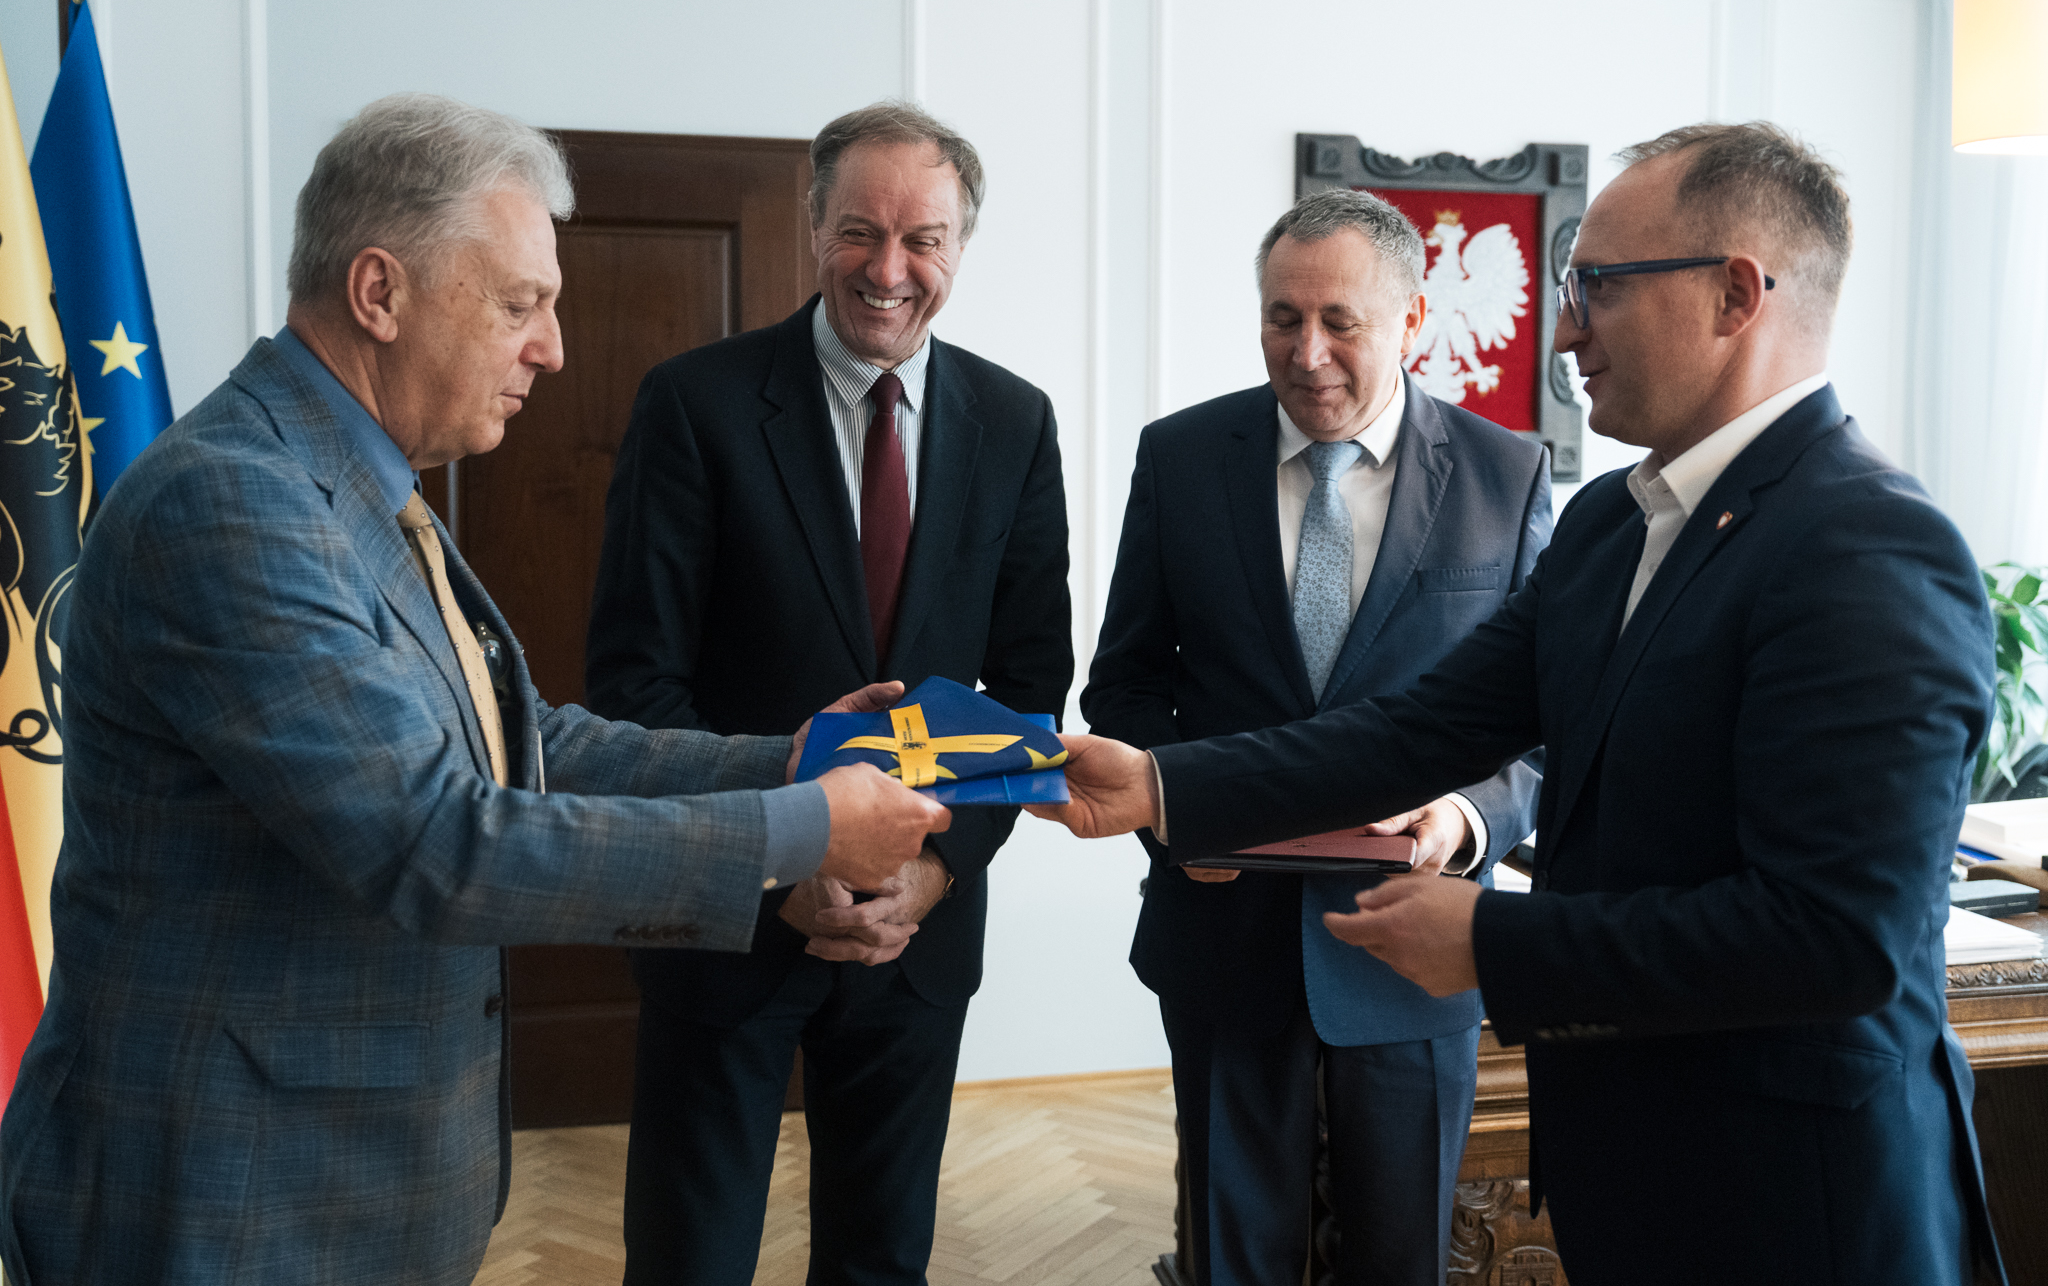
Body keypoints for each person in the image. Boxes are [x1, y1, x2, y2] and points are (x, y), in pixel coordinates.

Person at [0, 93, 949, 1286]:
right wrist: (802, 827)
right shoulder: (233, 502)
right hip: (227, 1198)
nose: (551, 347)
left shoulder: (361, 479)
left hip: (345, 1186)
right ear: (379, 293)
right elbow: (436, 842)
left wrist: (793, 756)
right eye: (518, 304)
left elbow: (521, 742)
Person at [1036, 123, 2007, 1286]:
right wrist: (1160, 785)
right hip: (1623, 1162)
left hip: (1796, 1195)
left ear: (1734, 295)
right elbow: (1418, 731)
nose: (1561, 333)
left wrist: (1489, 940)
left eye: (1596, 287)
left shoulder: (1870, 546)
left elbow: (1834, 939)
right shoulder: (1608, 526)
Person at [584, 100, 1071, 1285]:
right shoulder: (695, 404)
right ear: (814, 229)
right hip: (728, 922)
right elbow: (634, 681)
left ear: (959, 247)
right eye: (860, 231)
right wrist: (780, 858)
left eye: (922, 240)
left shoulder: (1014, 421)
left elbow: (1028, 688)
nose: (888, 270)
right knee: (689, 1262)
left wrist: (934, 871)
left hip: (916, 933)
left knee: (880, 1262)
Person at [1081, 188, 1547, 1285]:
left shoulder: (1506, 473)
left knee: (1401, 1260)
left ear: (1413, 319)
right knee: (1230, 1259)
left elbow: (1550, 721)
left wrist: (1465, 816)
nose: (1307, 353)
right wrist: (1176, 816)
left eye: (1341, 321)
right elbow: (1127, 684)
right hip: (1221, 933)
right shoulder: (1182, 457)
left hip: (1416, 947)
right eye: (1282, 318)